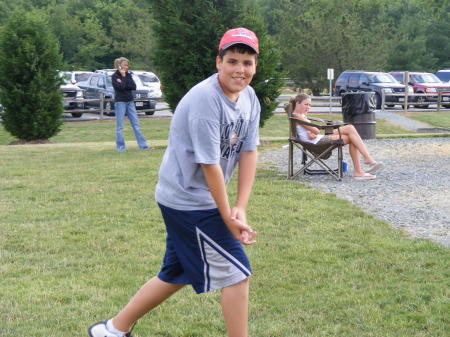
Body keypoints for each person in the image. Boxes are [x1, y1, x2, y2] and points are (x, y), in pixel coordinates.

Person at [88, 27, 260, 337]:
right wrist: (226, 216)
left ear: (255, 66)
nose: (240, 70)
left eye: (247, 63)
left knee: (176, 272)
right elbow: (209, 165)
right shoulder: (206, 100)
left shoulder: (249, 97)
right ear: (218, 61)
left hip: (198, 197)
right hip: (189, 199)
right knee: (237, 274)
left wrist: (241, 207)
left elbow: (248, 151)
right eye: (233, 61)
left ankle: (112, 330)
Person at [291, 93, 384, 180]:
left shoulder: (300, 115)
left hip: (316, 138)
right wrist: (313, 131)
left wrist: (312, 132)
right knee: (352, 137)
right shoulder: (297, 116)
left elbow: (311, 130)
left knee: (350, 128)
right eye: (306, 104)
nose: (308, 107)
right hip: (316, 142)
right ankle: (361, 167)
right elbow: (316, 130)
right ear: (297, 103)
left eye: (310, 105)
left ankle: (365, 162)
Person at [112, 57, 149, 151]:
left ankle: (143, 146)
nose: (126, 67)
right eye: (124, 65)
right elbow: (120, 88)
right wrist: (123, 77)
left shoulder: (128, 75)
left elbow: (133, 86)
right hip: (120, 102)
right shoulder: (115, 76)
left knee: (136, 125)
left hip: (130, 102)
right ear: (119, 66)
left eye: (127, 65)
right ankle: (121, 147)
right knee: (120, 126)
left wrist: (124, 80)